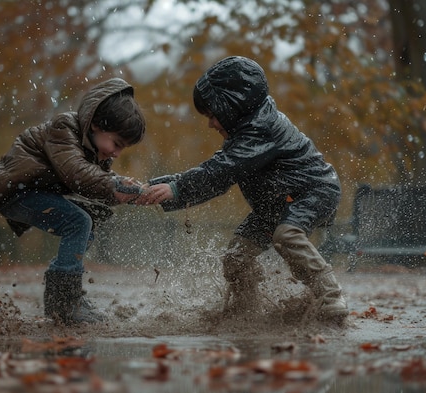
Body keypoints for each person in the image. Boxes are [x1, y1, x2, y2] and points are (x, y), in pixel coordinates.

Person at [135, 56, 348, 322]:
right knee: (236, 256)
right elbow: (218, 169)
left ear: (231, 107)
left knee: (287, 234)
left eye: (213, 116)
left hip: (314, 190)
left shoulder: (263, 128)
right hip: (276, 202)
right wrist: (157, 187)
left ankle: (330, 297)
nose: (211, 124)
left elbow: (223, 170)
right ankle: (246, 311)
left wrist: (177, 189)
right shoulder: (245, 132)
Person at [0, 78, 146, 325]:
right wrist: (114, 186)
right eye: (116, 143)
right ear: (95, 124)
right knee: (78, 222)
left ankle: (68, 295)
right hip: (16, 192)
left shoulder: (95, 149)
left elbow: (97, 184)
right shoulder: (64, 127)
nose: (116, 153)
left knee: (87, 228)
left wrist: (125, 193)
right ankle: (63, 302)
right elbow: (75, 172)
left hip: (37, 193)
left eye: (122, 148)